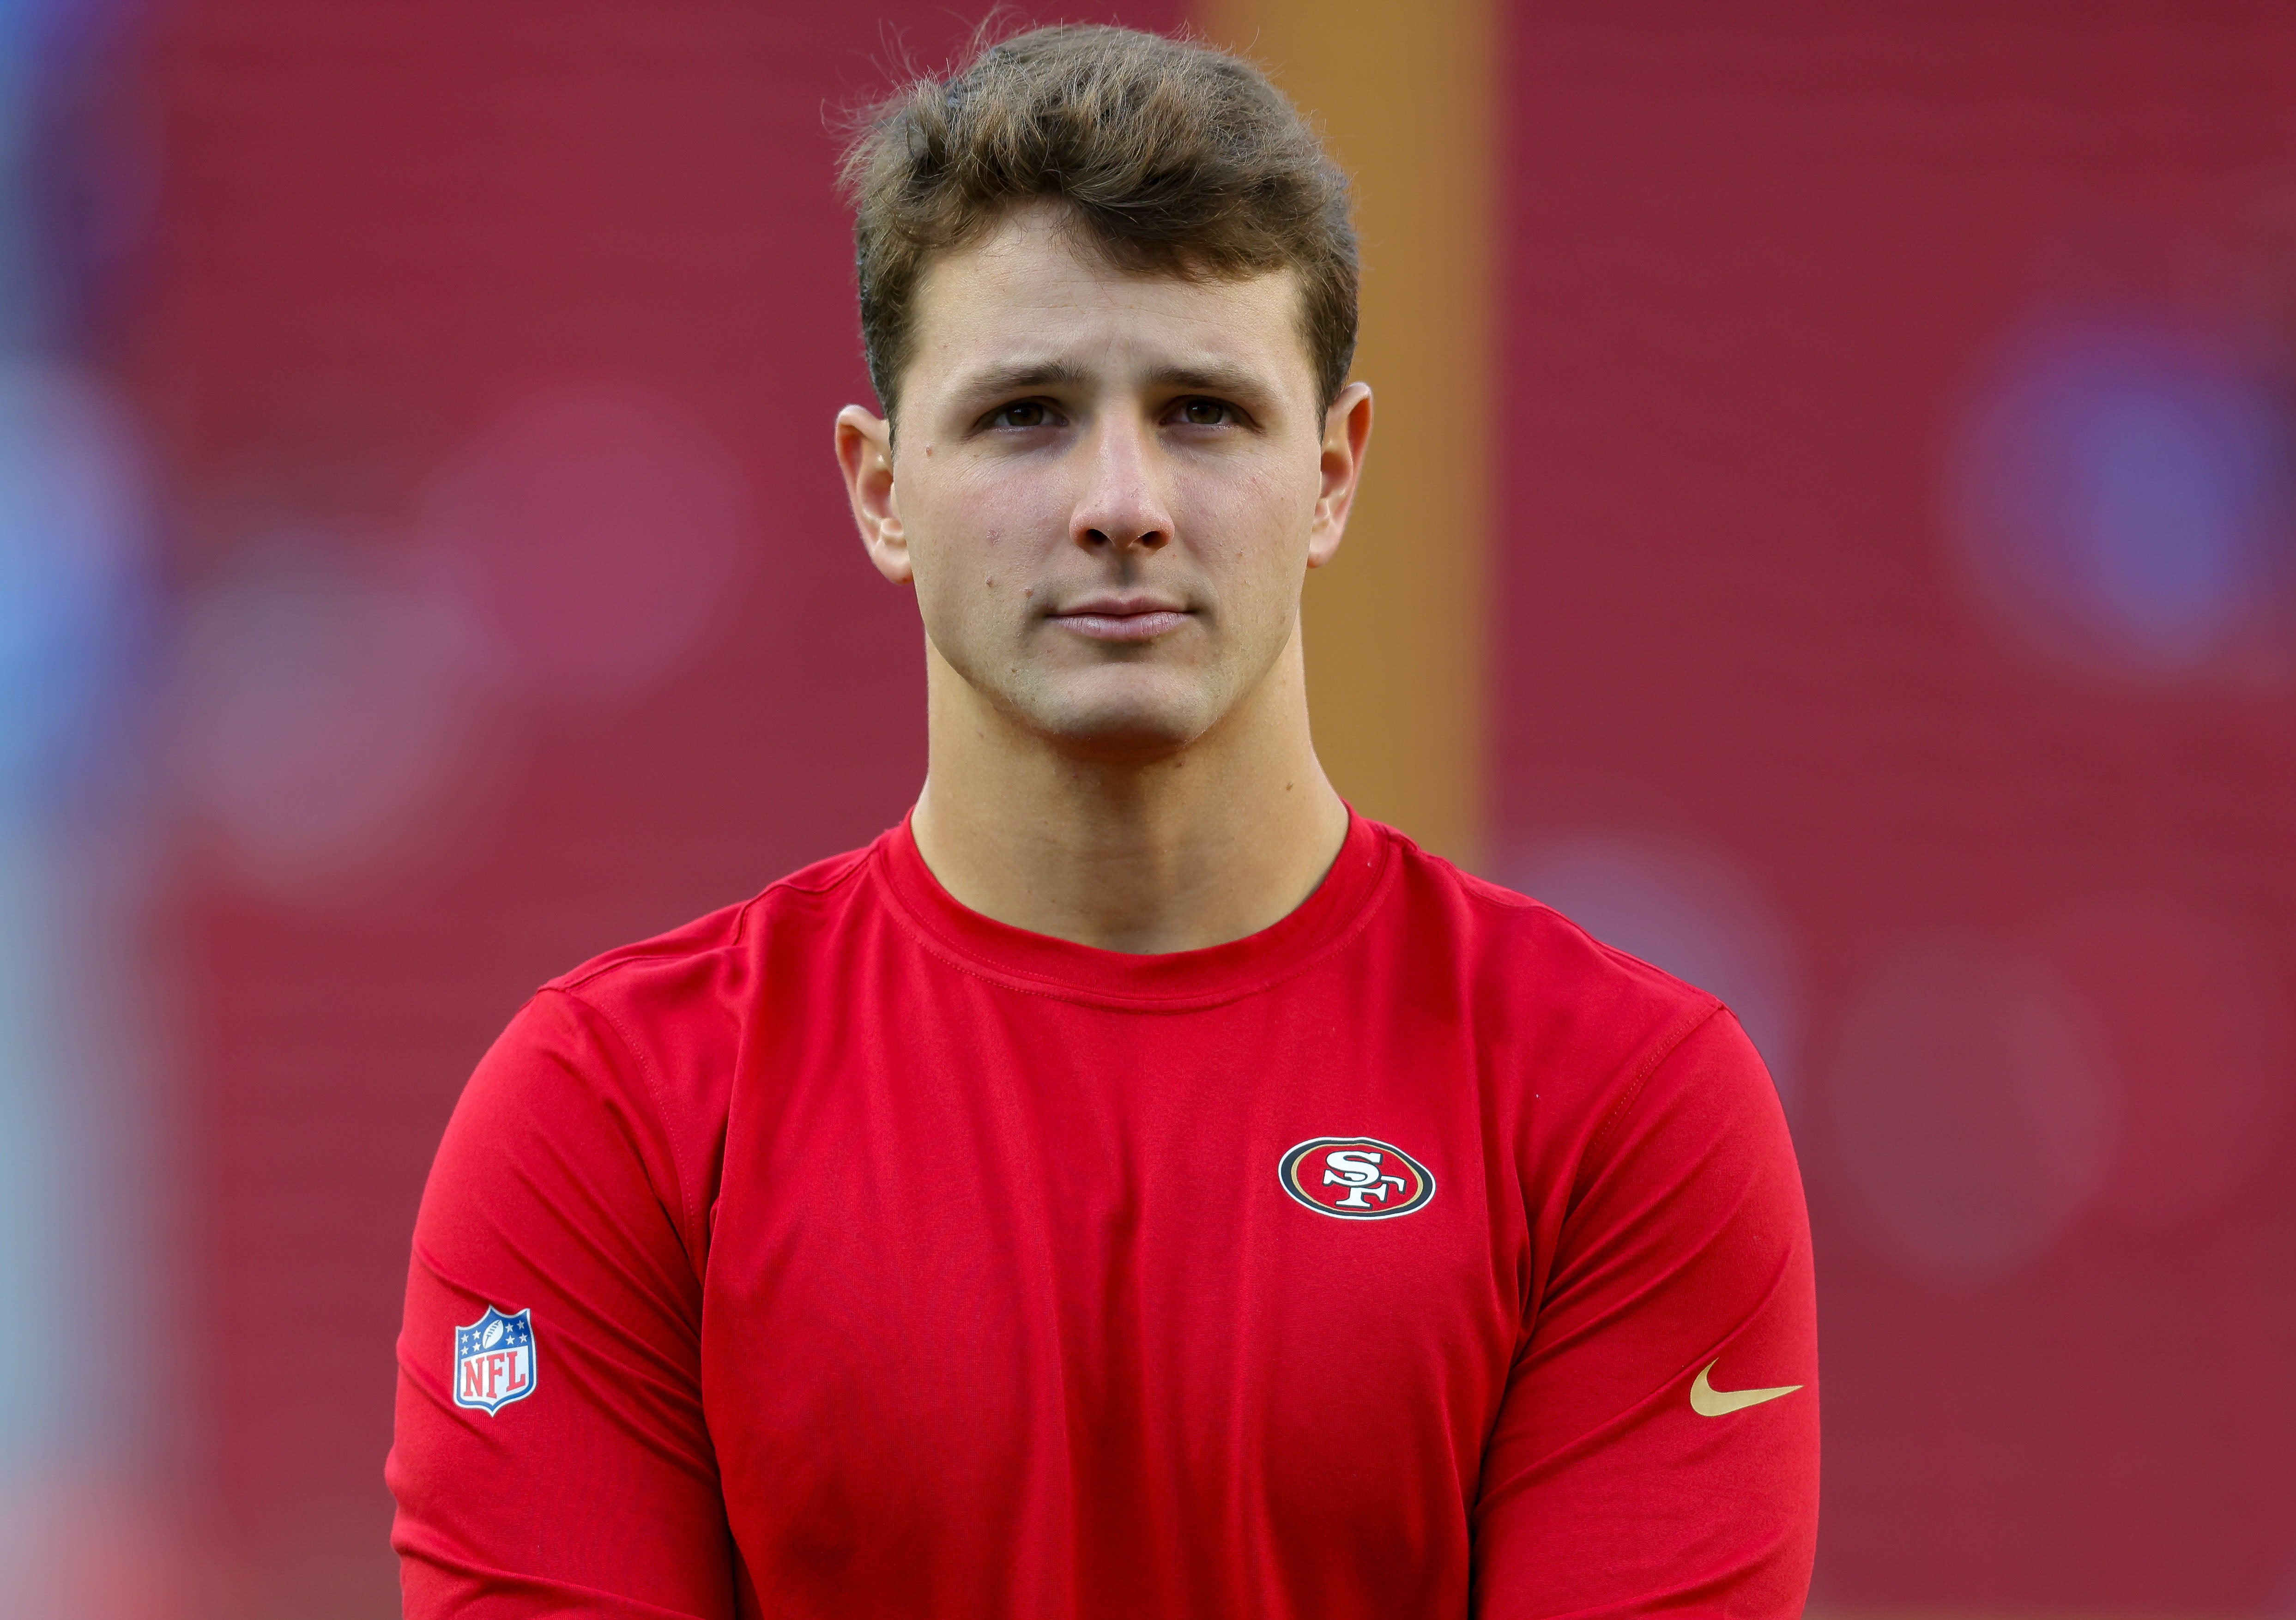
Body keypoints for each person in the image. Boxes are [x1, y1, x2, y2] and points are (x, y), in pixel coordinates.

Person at [387, 23, 1817, 1620]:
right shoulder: (610, 1113)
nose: (1120, 502)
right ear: (880, 488)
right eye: (1025, 413)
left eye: (1203, 410)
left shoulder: (1619, 1104)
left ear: (1334, 472)